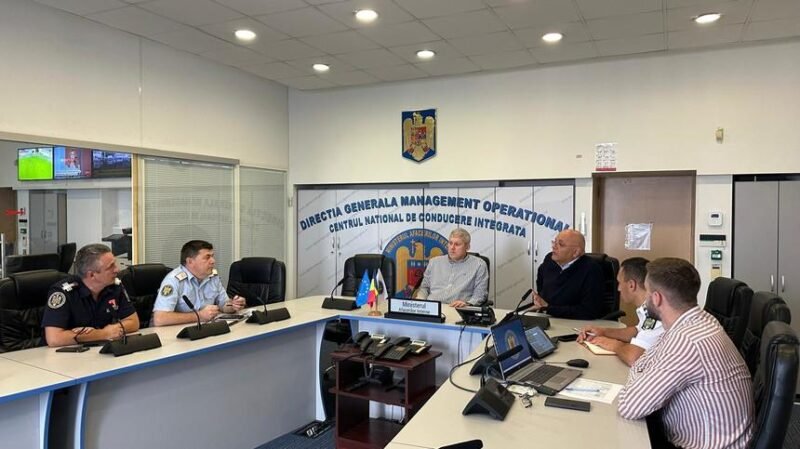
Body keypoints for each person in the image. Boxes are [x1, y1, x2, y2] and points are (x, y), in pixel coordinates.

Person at [618, 258, 753, 449]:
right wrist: (640, 376)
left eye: (646, 291)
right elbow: (643, 362)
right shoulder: (698, 321)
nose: (644, 298)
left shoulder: (687, 341)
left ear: (656, 298)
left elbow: (630, 406)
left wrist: (638, 380)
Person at [42, 243, 139, 347]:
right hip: (66, 354)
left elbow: (133, 322)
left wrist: (110, 330)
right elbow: (54, 339)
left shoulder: (114, 286)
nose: (117, 270)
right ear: (92, 275)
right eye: (111, 267)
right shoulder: (63, 293)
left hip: (99, 349)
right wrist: (103, 334)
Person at [577, 257, 663, 366]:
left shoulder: (655, 312)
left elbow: (634, 358)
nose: (618, 288)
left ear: (631, 285)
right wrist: (603, 332)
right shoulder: (647, 307)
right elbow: (638, 330)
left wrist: (614, 345)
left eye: (619, 283)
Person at [151, 240, 246, 326]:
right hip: (175, 334)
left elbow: (224, 305)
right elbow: (160, 319)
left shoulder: (212, 276)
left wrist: (233, 305)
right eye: (207, 257)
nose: (213, 261)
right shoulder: (173, 280)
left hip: (204, 329)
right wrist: (199, 316)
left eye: (212, 256)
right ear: (190, 261)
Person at [531, 229, 604, 319]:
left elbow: (589, 311)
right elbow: (541, 285)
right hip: (548, 316)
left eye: (560, 244)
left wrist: (549, 308)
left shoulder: (591, 269)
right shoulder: (549, 260)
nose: (554, 247)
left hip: (576, 322)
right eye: (554, 242)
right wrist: (541, 303)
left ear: (576, 252)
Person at [415, 228, 488, 308]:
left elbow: (480, 294)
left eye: (457, 244)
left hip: (458, 309)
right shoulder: (434, 262)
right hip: (432, 308)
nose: (452, 247)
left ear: (467, 247)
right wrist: (421, 299)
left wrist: (467, 303)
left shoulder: (479, 265)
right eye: (450, 243)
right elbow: (425, 287)